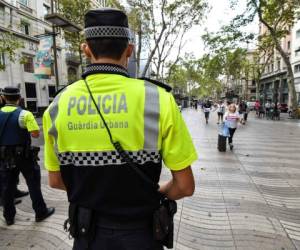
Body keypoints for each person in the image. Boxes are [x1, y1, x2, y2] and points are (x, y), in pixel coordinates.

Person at [43, 8, 197, 250]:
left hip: (87, 235)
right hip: (142, 235)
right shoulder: (158, 99)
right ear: (129, 50)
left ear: (86, 49)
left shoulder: (57, 105)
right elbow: (185, 186)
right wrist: (158, 191)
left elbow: (55, 180)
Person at [0, 87, 55, 225]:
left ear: (4, 98)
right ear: (19, 98)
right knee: (33, 183)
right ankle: (40, 212)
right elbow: (35, 133)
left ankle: (9, 217)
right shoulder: (25, 114)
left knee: (7, 185)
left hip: (5, 156)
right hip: (23, 156)